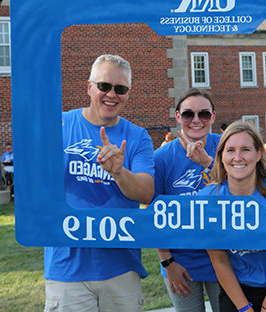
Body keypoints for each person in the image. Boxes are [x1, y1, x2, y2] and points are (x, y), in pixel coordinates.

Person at [44, 54, 155, 312]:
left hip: (120, 266)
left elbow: (146, 193)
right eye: (104, 86)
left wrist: (119, 172)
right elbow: (36, 187)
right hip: (66, 266)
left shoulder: (137, 137)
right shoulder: (58, 125)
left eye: (121, 89)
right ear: (89, 87)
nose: (111, 95)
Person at [199, 121, 266, 312]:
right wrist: (244, 308)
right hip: (239, 285)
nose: (238, 157)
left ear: (259, 154)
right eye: (231, 150)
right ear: (221, 156)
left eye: (246, 150)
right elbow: (220, 261)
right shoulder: (209, 199)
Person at [153, 88, 221, 312]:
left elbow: (242, 194)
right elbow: (154, 217)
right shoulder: (161, 158)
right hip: (180, 260)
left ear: (212, 117)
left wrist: (209, 163)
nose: (196, 120)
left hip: (223, 258)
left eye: (203, 114)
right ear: (177, 116)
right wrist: (167, 263)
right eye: (188, 114)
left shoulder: (225, 147)